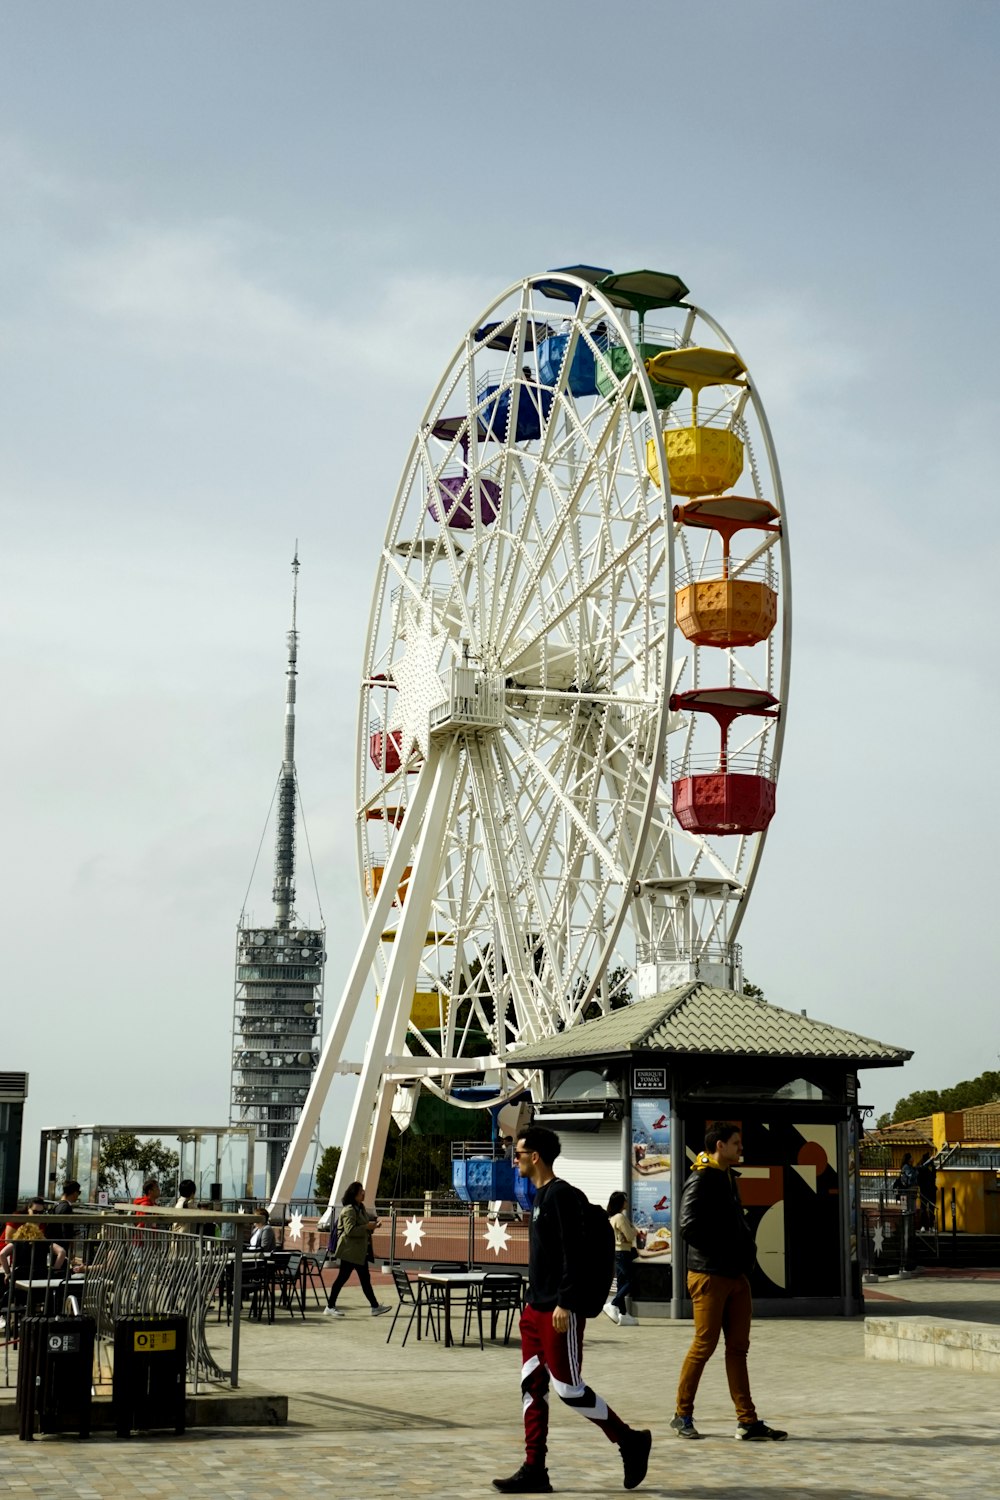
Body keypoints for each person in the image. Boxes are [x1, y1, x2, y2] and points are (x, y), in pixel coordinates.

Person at [493, 1125, 651, 1494]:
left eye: (517, 1153)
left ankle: (630, 1441)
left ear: (535, 1156)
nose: (513, 1159)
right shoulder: (538, 1198)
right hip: (535, 1311)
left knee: (568, 1389)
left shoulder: (562, 1196)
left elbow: (574, 1254)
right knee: (532, 1388)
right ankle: (535, 1468)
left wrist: (566, 1301)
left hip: (558, 1312)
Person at [672, 1123, 786, 1442]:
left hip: (735, 1275)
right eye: (736, 1143)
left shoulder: (726, 1176)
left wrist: (744, 1253)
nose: (741, 1148)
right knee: (703, 1345)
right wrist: (725, 1250)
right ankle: (682, 1414)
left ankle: (747, 1422)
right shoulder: (701, 1177)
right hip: (709, 1275)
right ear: (719, 1146)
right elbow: (687, 1226)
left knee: (738, 1349)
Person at [322, 1182, 389, 1319]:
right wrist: (367, 1227)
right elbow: (350, 1230)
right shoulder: (349, 1211)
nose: (363, 1193)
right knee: (344, 1278)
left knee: (363, 1279)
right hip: (350, 1252)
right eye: (361, 1191)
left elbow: (363, 1226)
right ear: (355, 1195)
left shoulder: (360, 1208)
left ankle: (374, 1306)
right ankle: (330, 1306)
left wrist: (373, 1226)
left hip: (358, 1252)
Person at [603, 1191, 639, 1327]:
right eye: (625, 1200)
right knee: (631, 1281)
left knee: (621, 1282)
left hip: (616, 1253)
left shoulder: (612, 1217)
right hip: (623, 1252)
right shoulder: (620, 1217)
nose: (627, 1202)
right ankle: (613, 1303)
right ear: (620, 1202)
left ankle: (623, 1314)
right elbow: (629, 1236)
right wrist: (634, 1231)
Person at [47, 1179, 82, 1261]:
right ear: (75, 1193)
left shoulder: (57, 1205)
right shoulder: (66, 1207)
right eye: (78, 1193)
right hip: (61, 1246)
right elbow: (66, 1230)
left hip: (54, 1244)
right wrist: (70, 1248)